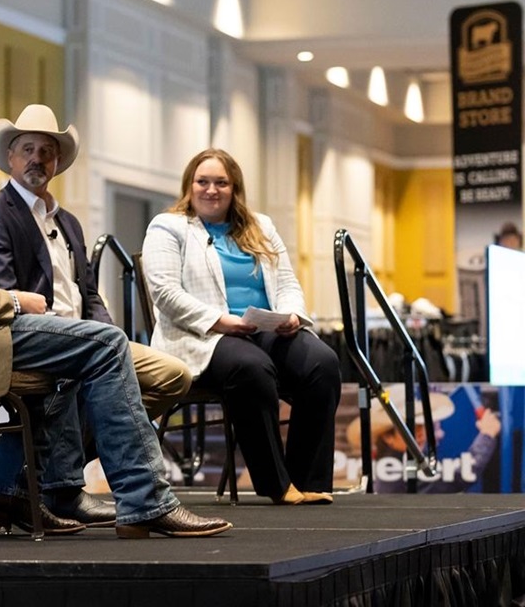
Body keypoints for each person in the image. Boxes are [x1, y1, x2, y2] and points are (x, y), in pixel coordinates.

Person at [0, 56, 231, 539]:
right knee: (105, 346)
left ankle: (16, 490)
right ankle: (145, 501)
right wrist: (15, 302)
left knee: (86, 348)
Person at [0, 104, 192, 527]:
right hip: (34, 339)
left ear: (57, 162)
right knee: (88, 365)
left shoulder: (68, 221)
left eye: (47, 151)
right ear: (11, 158)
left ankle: (52, 476)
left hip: (89, 340)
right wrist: (89, 340)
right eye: (28, 149)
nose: (38, 158)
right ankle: (73, 489)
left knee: (173, 375)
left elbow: (89, 293)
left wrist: (108, 334)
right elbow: (0, 290)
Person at [141, 148, 342, 505]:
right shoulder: (167, 227)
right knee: (251, 368)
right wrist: (220, 320)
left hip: (263, 329)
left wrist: (292, 314)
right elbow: (165, 293)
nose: (211, 190)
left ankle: (308, 480)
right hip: (201, 336)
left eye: (222, 182)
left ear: (235, 189)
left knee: (321, 364)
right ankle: (277, 485)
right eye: (203, 181)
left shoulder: (261, 226)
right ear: (189, 185)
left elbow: (287, 283)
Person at [346, 384, 501, 493]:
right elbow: (459, 477)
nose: (420, 434)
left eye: (421, 426)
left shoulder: (395, 464)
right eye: (411, 427)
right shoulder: (392, 473)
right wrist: (487, 435)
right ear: (388, 437)